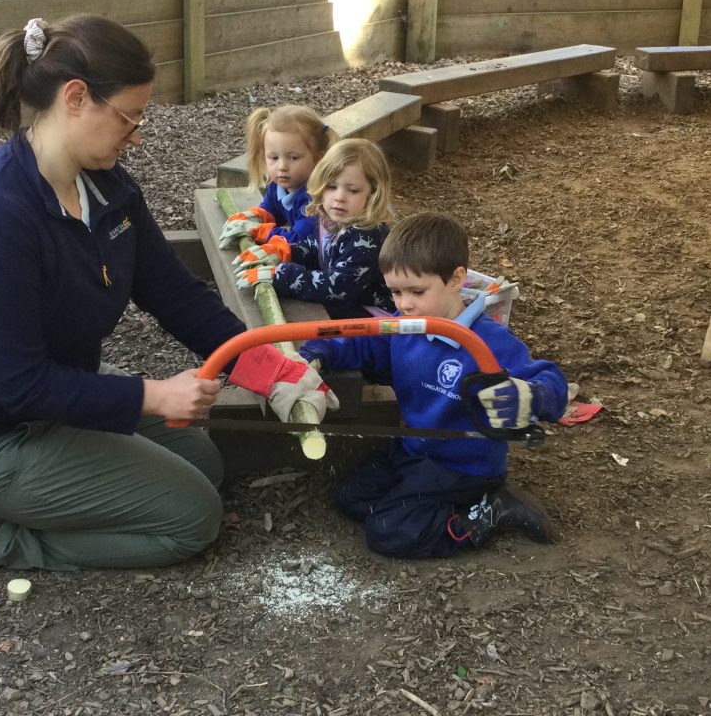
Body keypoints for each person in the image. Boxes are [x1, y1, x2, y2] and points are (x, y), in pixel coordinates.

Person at [0, 15, 337, 571]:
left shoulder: (104, 183)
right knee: (190, 518)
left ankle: (53, 494)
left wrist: (271, 369)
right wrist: (151, 396)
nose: (137, 135)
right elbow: (20, 386)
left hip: (59, 399)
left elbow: (173, 293)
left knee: (205, 464)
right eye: (129, 118)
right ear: (76, 97)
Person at [297, 212, 569, 558]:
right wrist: (318, 352)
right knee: (351, 496)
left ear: (456, 279)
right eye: (395, 292)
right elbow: (361, 343)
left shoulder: (489, 341)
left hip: (464, 469)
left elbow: (552, 382)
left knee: (388, 532)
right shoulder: (406, 326)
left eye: (417, 291)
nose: (404, 303)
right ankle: (417, 503)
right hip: (414, 450)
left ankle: (488, 512)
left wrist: (528, 396)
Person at [232, 138, 395, 319]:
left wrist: (284, 277)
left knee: (296, 316)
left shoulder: (366, 235)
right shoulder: (337, 219)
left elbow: (337, 287)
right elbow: (319, 249)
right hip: (350, 305)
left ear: (374, 194)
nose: (339, 197)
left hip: (373, 320)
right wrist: (284, 251)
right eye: (332, 187)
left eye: (353, 190)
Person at [217, 105, 339, 249]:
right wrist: (255, 217)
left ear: (318, 158)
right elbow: (271, 209)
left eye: (293, 157)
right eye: (274, 157)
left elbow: (297, 242)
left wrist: (257, 230)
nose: (282, 167)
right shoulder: (279, 185)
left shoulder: (315, 201)